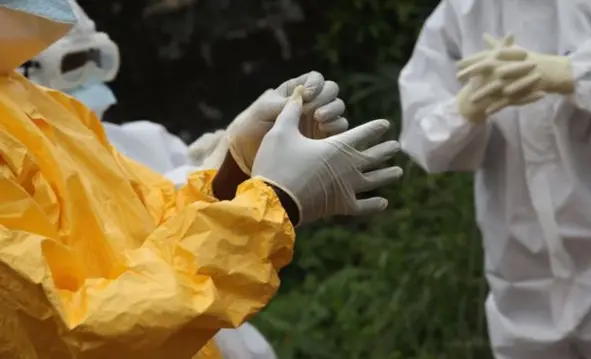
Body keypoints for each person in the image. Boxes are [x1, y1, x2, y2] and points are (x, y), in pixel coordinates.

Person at [0, 1, 403, 358]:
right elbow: (74, 333)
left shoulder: (29, 101)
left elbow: (151, 223)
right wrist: (270, 203)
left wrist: (235, 171)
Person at [399, 1, 591, 358]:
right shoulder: (461, 13)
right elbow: (424, 139)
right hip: (523, 297)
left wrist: (573, 72)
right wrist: (466, 107)